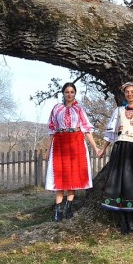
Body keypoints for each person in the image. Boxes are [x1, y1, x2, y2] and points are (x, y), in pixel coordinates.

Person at [45, 82, 101, 222]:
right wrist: (47, 150)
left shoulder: (79, 109)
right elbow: (52, 129)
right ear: (63, 93)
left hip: (76, 142)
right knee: (60, 176)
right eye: (67, 92)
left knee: (73, 176)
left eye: (72, 92)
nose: (69, 94)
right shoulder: (56, 109)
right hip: (60, 142)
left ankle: (68, 208)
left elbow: (86, 129)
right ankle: (58, 211)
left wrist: (95, 147)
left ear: (75, 94)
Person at [99, 81, 133, 234]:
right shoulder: (119, 111)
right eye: (127, 92)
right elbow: (111, 132)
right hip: (120, 148)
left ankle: (131, 219)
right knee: (119, 182)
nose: (130, 94)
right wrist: (103, 148)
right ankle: (123, 220)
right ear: (124, 94)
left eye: (132, 91)